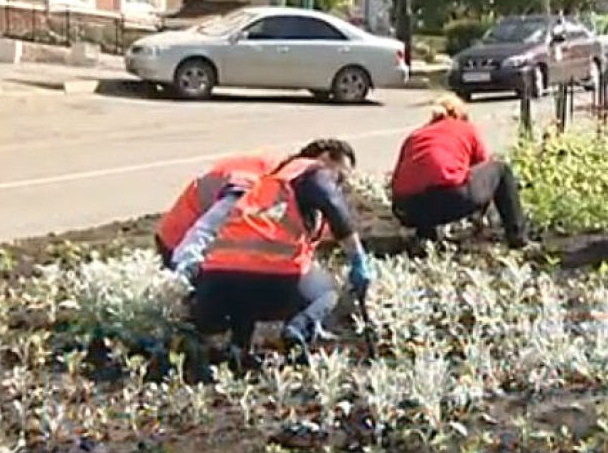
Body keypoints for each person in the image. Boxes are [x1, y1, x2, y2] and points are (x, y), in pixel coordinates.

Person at [170, 138, 371, 362]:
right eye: (340, 177)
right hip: (272, 282)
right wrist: (357, 258)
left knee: (245, 290)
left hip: (217, 285)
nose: (339, 185)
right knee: (328, 291)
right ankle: (297, 331)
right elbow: (330, 200)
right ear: (325, 158)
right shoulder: (312, 171)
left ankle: (239, 350)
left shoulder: (265, 188)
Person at [390, 94, 529, 252]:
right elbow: (483, 166)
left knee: (429, 180)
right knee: (500, 170)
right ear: (460, 114)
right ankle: (518, 238)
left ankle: (426, 237)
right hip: (451, 199)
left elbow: (401, 177)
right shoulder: (465, 127)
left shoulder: (415, 136)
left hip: (405, 208)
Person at [155, 154, 280, 269]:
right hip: (177, 239)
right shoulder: (244, 189)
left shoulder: (277, 175)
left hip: (202, 221)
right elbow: (202, 233)